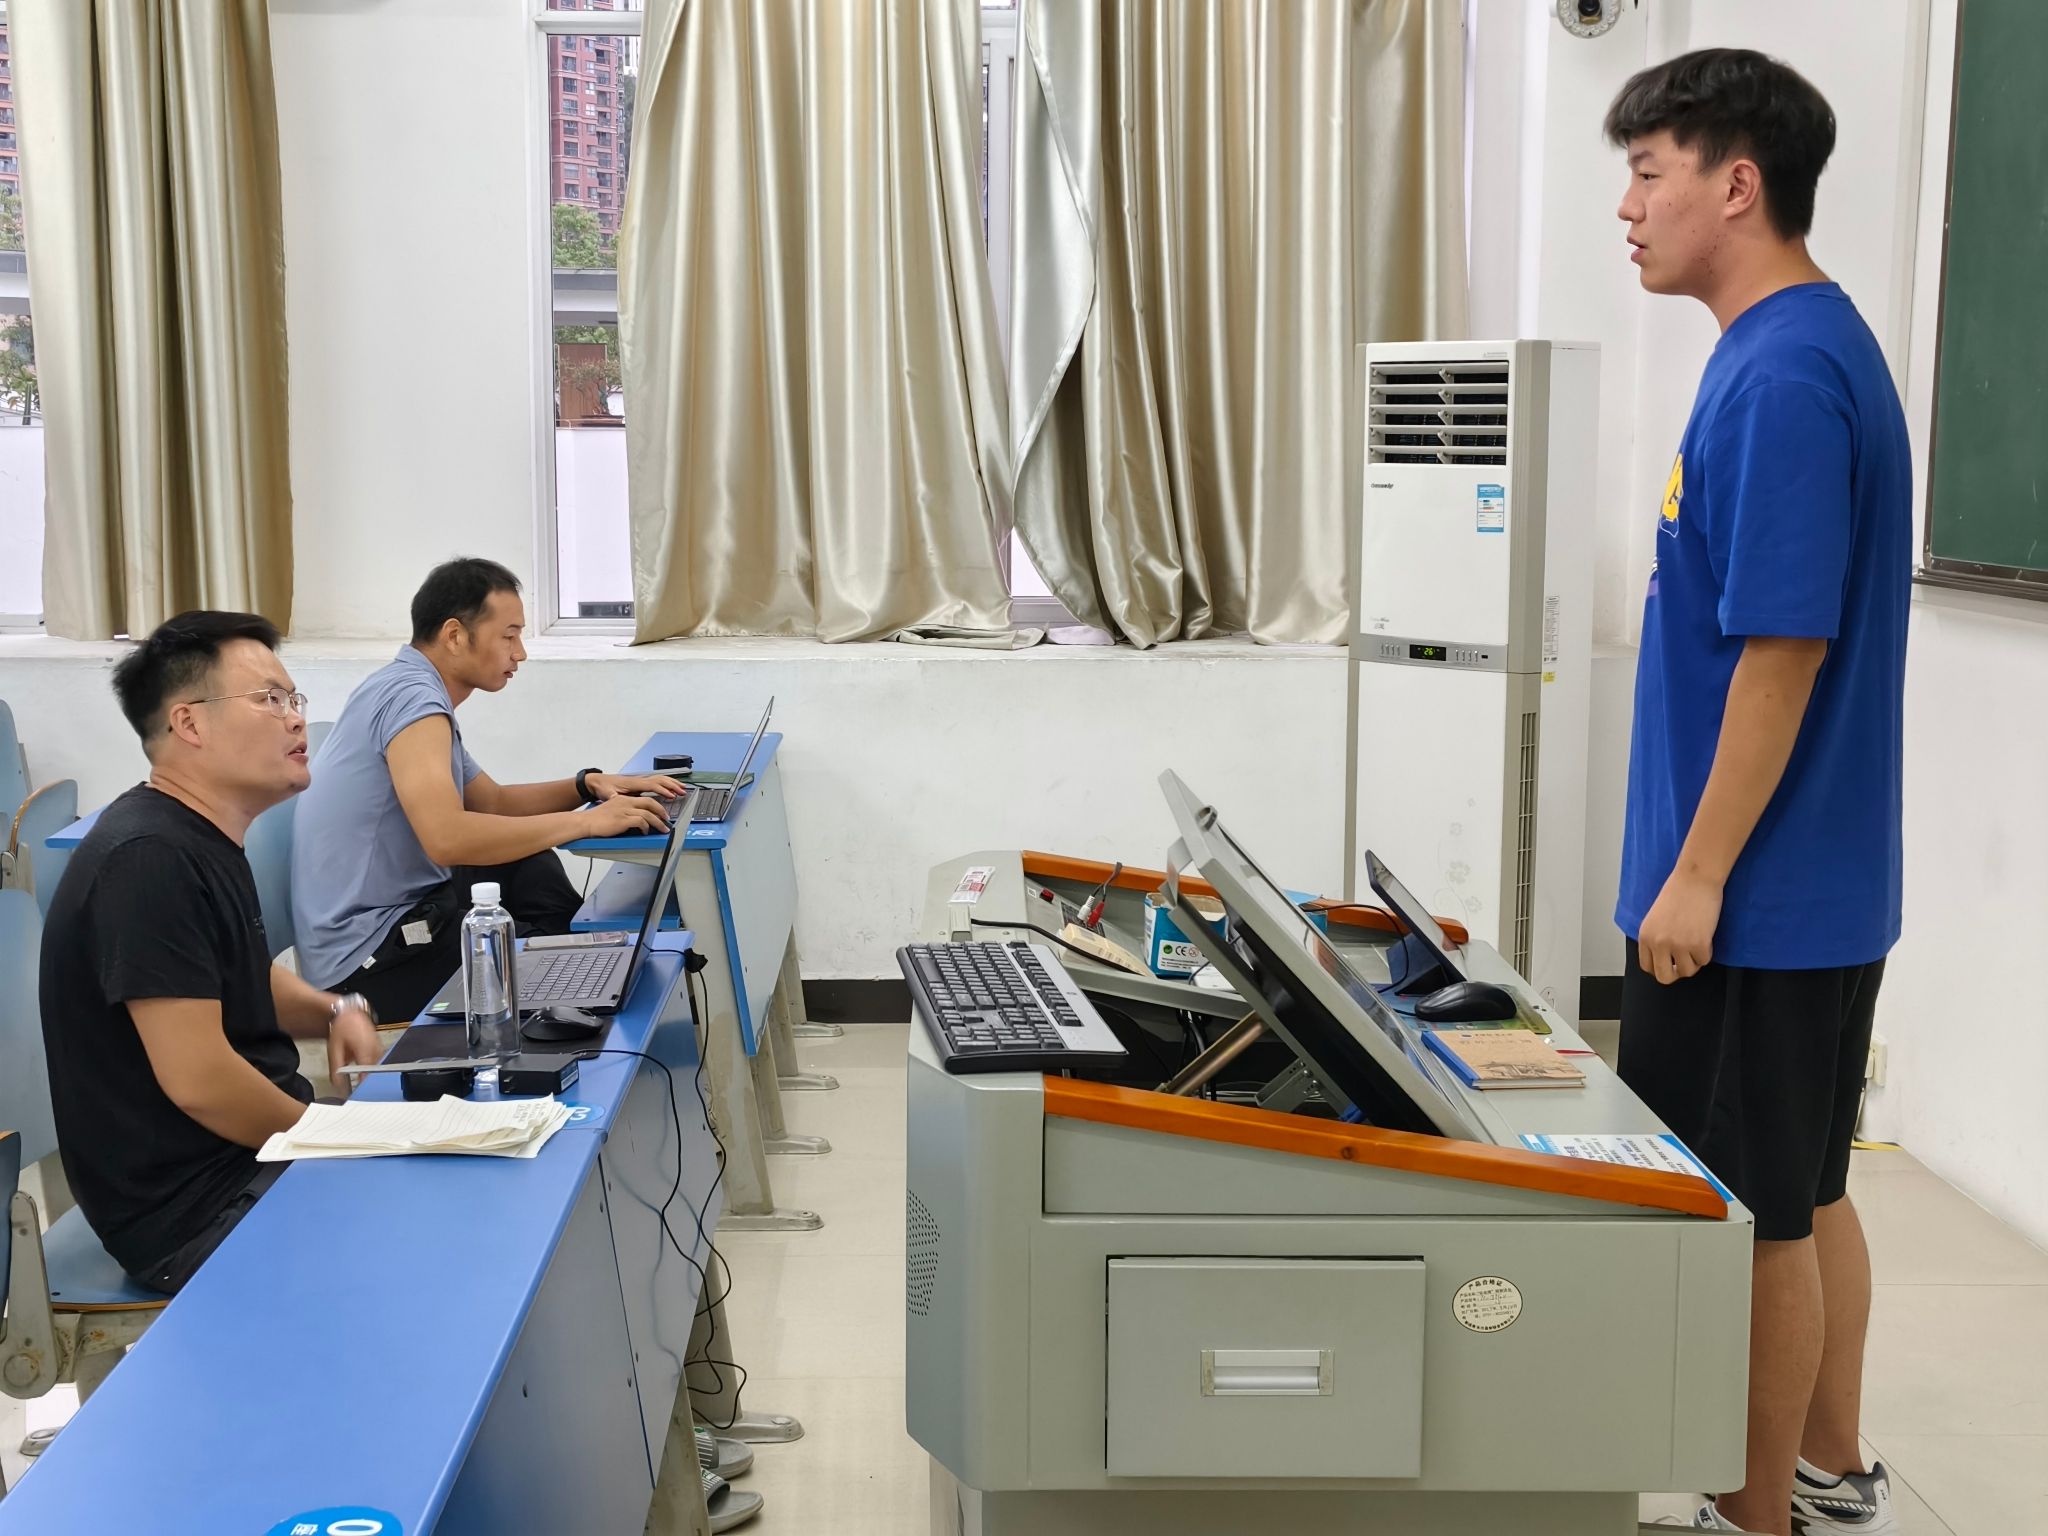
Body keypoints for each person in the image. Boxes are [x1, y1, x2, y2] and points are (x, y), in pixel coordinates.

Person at [1607, 50, 1910, 1536]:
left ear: (1737, 183)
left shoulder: (1785, 374)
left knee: (1747, 1218)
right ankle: (1828, 1467)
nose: (1627, 207)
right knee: (1805, 1186)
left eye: (1647, 173)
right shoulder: (1791, 344)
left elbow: (1782, 656)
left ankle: (1752, 1520)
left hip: (1758, 900)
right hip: (1808, 886)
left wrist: (1699, 873)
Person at [38, 612, 383, 1295]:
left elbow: (235, 973)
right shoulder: (148, 859)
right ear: (189, 723)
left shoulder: (196, 836)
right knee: (434, 1217)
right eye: (269, 699)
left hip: (247, 1164)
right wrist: (338, 1137)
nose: (295, 719)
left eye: (293, 698)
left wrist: (337, 1009)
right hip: (196, 1211)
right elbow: (200, 1081)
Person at [290, 558, 680, 1021]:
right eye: (509, 636)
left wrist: (587, 784)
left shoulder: (406, 687)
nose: (521, 653)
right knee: (548, 953)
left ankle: (575, 968)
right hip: (367, 960)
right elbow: (447, 838)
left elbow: (493, 803)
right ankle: (573, 986)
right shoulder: (414, 701)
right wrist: (585, 824)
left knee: (530, 865)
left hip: (398, 915)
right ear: (455, 636)